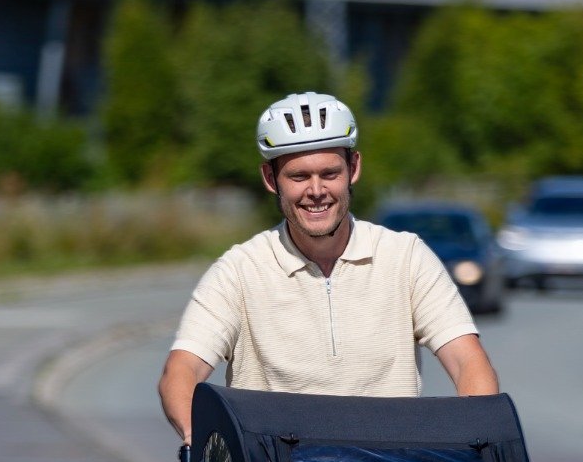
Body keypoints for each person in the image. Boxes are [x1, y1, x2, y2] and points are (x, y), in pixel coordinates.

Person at [159, 92, 499, 438]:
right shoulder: (240, 270)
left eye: (329, 173)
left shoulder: (405, 257)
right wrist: (197, 442)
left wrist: (478, 441)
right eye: (299, 176)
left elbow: (467, 360)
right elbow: (182, 370)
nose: (316, 190)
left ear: (354, 169)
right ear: (269, 178)